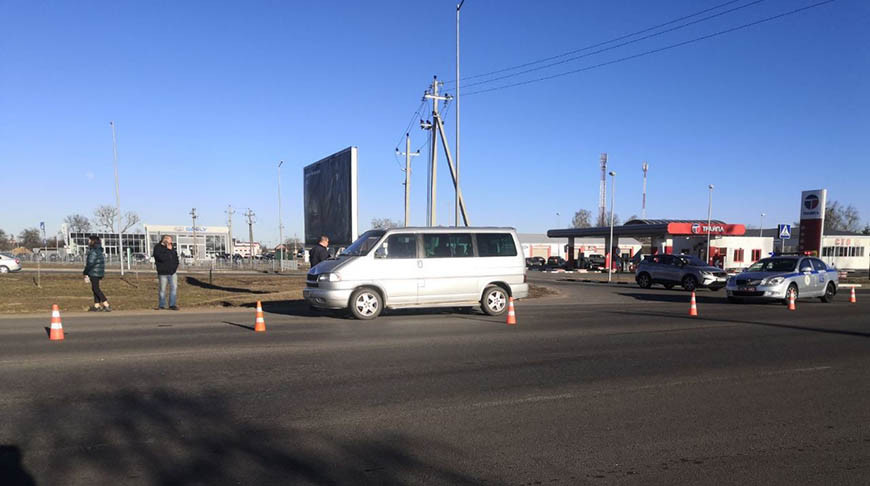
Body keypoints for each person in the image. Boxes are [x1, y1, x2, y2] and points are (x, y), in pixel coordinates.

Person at [83, 235, 110, 312]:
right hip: (98, 271)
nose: (88, 242)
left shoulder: (93, 251)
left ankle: (106, 304)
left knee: (96, 289)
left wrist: (85, 272)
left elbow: (90, 263)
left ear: (93, 241)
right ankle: (97, 305)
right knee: (95, 288)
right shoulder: (98, 250)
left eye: (89, 240)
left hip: (94, 272)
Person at [153, 235, 180, 310]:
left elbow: (175, 258)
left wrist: (175, 267)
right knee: (162, 289)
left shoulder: (172, 248)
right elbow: (161, 258)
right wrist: (168, 250)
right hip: (163, 273)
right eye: (169, 240)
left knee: (174, 288)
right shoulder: (158, 248)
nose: (171, 242)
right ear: (165, 240)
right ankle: (161, 305)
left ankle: (172, 304)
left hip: (172, 272)